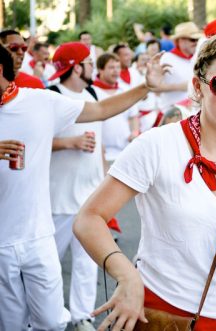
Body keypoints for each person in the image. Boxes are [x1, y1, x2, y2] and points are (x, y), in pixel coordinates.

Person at [73, 34, 216, 331]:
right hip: (159, 314)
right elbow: (88, 218)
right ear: (199, 87)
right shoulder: (158, 145)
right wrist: (126, 274)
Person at [0, 44, 165, 331]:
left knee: (51, 321)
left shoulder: (40, 102)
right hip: (1, 243)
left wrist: (145, 87)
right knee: (11, 323)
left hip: (37, 235)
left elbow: (100, 109)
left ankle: (80, 315)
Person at [47, 42, 101, 331]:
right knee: (48, 265)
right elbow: (33, 143)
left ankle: (83, 316)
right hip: (57, 197)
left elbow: (100, 146)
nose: (93, 67)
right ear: (76, 66)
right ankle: (45, 317)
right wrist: (71, 142)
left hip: (90, 196)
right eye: (89, 62)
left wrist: (105, 182)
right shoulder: (51, 97)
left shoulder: (94, 94)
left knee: (86, 262)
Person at [93, 53, 140, 162]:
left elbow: (133, 117)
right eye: (111, 67)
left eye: (118, 67)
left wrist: (134, 133)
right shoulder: (92, 92)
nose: (116, 71)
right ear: (100, 70)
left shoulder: (126, 90)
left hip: (125, 152)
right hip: (102, 154)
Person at [158, 21, 203, 112]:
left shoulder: (196, 58)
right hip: (172, 114)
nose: (196, 43)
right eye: (192, 40)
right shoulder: (167, 58)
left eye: (197, 40)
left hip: (192, 113)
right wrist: (182, 86)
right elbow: (154, 88)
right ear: (181, 41)